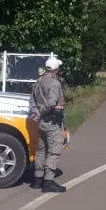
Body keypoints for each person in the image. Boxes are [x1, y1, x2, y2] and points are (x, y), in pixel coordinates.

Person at [28, 56, 67, 193]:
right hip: (51, 121)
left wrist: (37, 113)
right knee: (54, 150)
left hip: (41, 123)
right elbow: (51, 103)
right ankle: (48, 181)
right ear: (56, 68)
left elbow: (32, 100)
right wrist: (43, 112)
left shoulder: (38, 81)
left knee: (40, 151)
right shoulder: (54, 83)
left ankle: (37, 180)